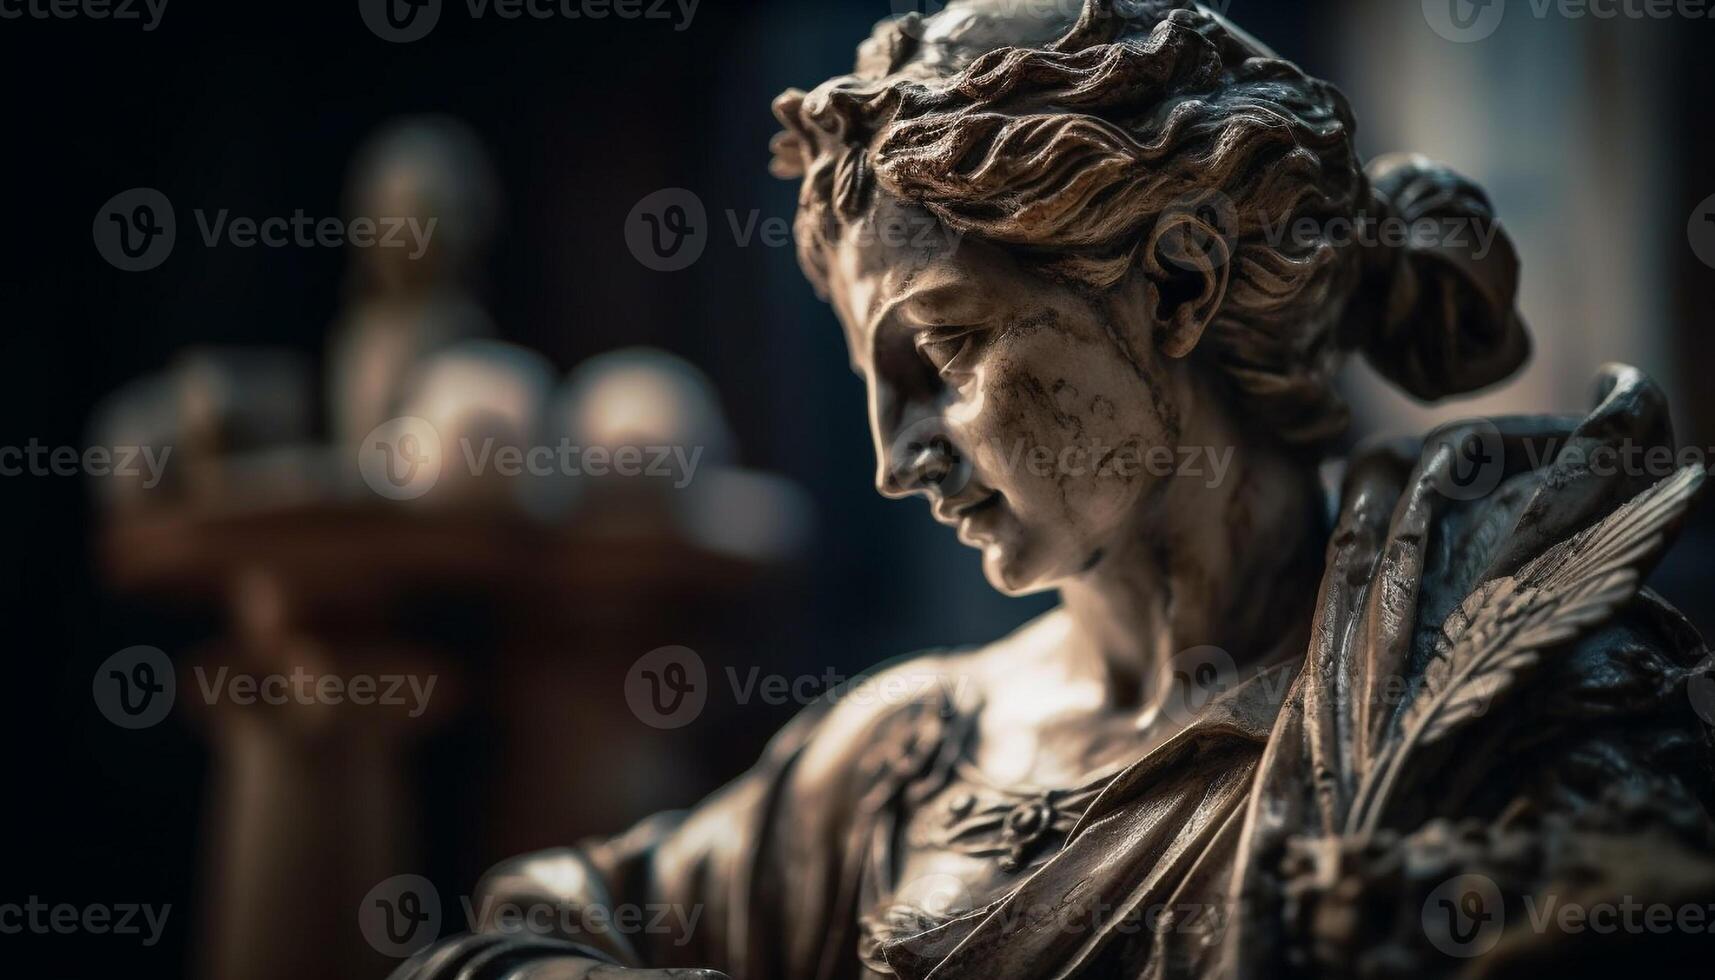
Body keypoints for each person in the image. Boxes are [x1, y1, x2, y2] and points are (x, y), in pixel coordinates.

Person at [394, 3, 1713, 976]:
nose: (893, 456)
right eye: (872, 380)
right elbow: (518, 934)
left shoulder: (1481, 705)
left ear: (1181, 285)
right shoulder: (894, 761)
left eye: (950, 351)